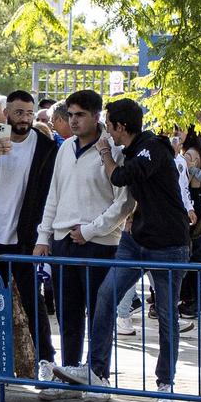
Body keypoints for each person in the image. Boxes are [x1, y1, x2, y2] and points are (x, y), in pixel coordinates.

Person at [81, 99, 188, 402]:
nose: (107, 132)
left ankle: (165, 383)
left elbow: (120, 177)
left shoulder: (152, 147)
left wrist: (103, 153)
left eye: (109, 125)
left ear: (121, 127)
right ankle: (97, 373)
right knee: (106, 296)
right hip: (136, 241)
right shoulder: (133, 149)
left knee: (167, 315)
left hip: (168, 244)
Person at [0, 90, 58, 370]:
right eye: (19, 113)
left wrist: (44, 235)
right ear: (6, 114)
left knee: (34, 304)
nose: (24, 119)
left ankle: (47, 362)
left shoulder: (44, 146)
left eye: (29, 113)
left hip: (25, 238)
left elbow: (50, 193)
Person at [40, 90, 129, 383]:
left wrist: (91, 229)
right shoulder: (65, 148)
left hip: (99, 243)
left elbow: (125, 202)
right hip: (63, 240)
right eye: (70, 115)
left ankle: (97, 374)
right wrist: (44, 236)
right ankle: (69, 372)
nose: (73, 121)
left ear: (96, 116)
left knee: (100, 314)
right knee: (68, 315)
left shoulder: (113, 149)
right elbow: (53, 194)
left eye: (80, 115)